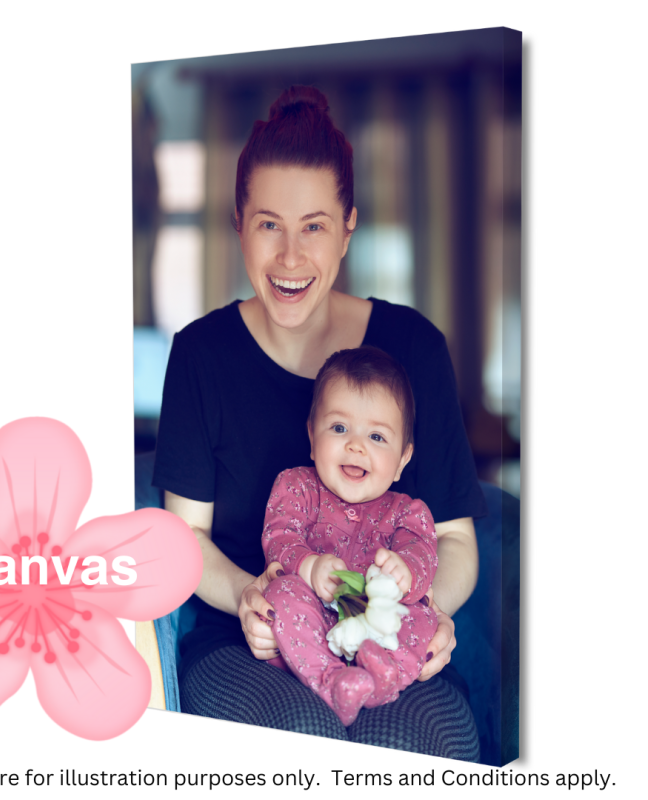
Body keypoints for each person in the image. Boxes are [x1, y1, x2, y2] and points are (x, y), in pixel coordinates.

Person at [153, 85, 486, 759]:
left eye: (313, 226)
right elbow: (184, 537)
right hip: (250, 642)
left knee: (407, 748)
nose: (290, 257)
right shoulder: (201, 355)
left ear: (348, 228)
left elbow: (454, 539)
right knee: (302, 740)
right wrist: (247, 595)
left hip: (389, 638)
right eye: (268, 224)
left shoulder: (415, 347)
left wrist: (424, 615)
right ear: (238, 224)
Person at [262, 346, 438, 727]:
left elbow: (423, 554)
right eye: (339, 428)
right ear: (312, 437)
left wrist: (406, 571)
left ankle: (381, 678)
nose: (356, 445)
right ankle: (331, 681)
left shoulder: (408, 513)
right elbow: (280, 534)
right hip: (312, 619)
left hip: (378, 627)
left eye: (377, 436)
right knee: (280, 594)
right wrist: (309, 566)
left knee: (425, 617)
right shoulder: (296, 487)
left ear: (403, 459)